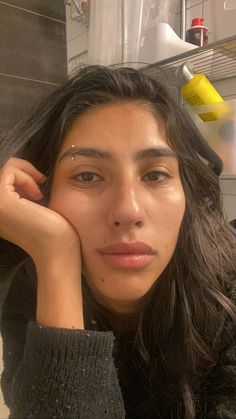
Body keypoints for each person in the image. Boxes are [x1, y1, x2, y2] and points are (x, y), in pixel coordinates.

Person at [0, 65, 235, 419]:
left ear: (187, 193)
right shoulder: (31, 290)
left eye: (156, 174)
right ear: (43, 195)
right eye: (87, 175)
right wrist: (56, 258)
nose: (128, 210)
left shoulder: (228, 305)